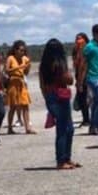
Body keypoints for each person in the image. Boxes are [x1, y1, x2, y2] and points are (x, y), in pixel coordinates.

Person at [39, 38, 81, 170]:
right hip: (60, 97)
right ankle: (61, 160)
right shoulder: (58, 64)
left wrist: (47, 99)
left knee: (67, 129)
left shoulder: (43, 65)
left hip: (51, 96)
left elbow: (42, 85)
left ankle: (66, 158)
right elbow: (69, 80)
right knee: (65, 129)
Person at [81, 24, 98, 143]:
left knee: (97, 102)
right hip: (92, 77)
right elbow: (83, 64)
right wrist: (80, 81)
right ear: (95, 34)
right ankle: (97, 125)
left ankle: (93, 126)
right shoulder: (89, 47)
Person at [5, 40, 36, 134]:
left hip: (21, 82)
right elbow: (7, 70)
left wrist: (27, 67)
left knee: (25, 105)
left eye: (23, 50)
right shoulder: (10, 58)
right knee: (13, 107)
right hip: (13, 83)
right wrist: (19, 67)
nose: (22, 52)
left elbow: (26, 73)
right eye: (20, 50)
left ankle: (28, 128)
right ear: (15, 50)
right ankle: (10, 128)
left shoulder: (25, 59)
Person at [72, 33, 91, 127]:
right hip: (79, 77)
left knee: (86, 99)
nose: (78, 41)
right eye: (77, 39)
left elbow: (84, 67)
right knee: (82, 99)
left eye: (80, 38)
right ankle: (86, 119)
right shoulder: (76, 51)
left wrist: (80, 81)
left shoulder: (86, 50)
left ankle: (88, 119)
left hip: (86, 78)